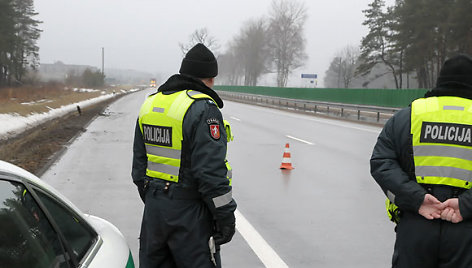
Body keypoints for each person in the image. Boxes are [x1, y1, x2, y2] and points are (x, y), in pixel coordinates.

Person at [132, 43, 237, 268]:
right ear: (209, 78)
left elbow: (139, 168)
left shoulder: (150, 104)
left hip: (154, 213)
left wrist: (156, 199)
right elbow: (210, 173)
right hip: (190, 216)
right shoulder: (203, 109)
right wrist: (225, 216)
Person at [370, 54, 472, 268]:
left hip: (417, 223)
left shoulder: (407, 116)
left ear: (440, 81)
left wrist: (417, 199)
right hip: (466, 229)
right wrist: (465, 204)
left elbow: (381, 163)